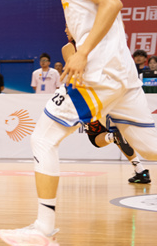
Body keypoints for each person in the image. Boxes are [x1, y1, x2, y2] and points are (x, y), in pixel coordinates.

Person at [0, 0, 157, 246]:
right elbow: (97, 16)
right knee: (151, 148)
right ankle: (43, 227)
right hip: (121, 71)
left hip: (100, 72)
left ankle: (44, 228)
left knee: (43, 138)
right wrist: (76, 41)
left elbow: (112, 5)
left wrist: (83, 52)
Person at [62, 30, 150, 184]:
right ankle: (140, 171)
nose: (65, 30)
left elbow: (74, 73)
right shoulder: (101, 41)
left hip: (92, 97)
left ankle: (113, 138)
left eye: (67, 26)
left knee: (96, 138)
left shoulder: (69, 47)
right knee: (128, 135)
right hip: (115, 91)